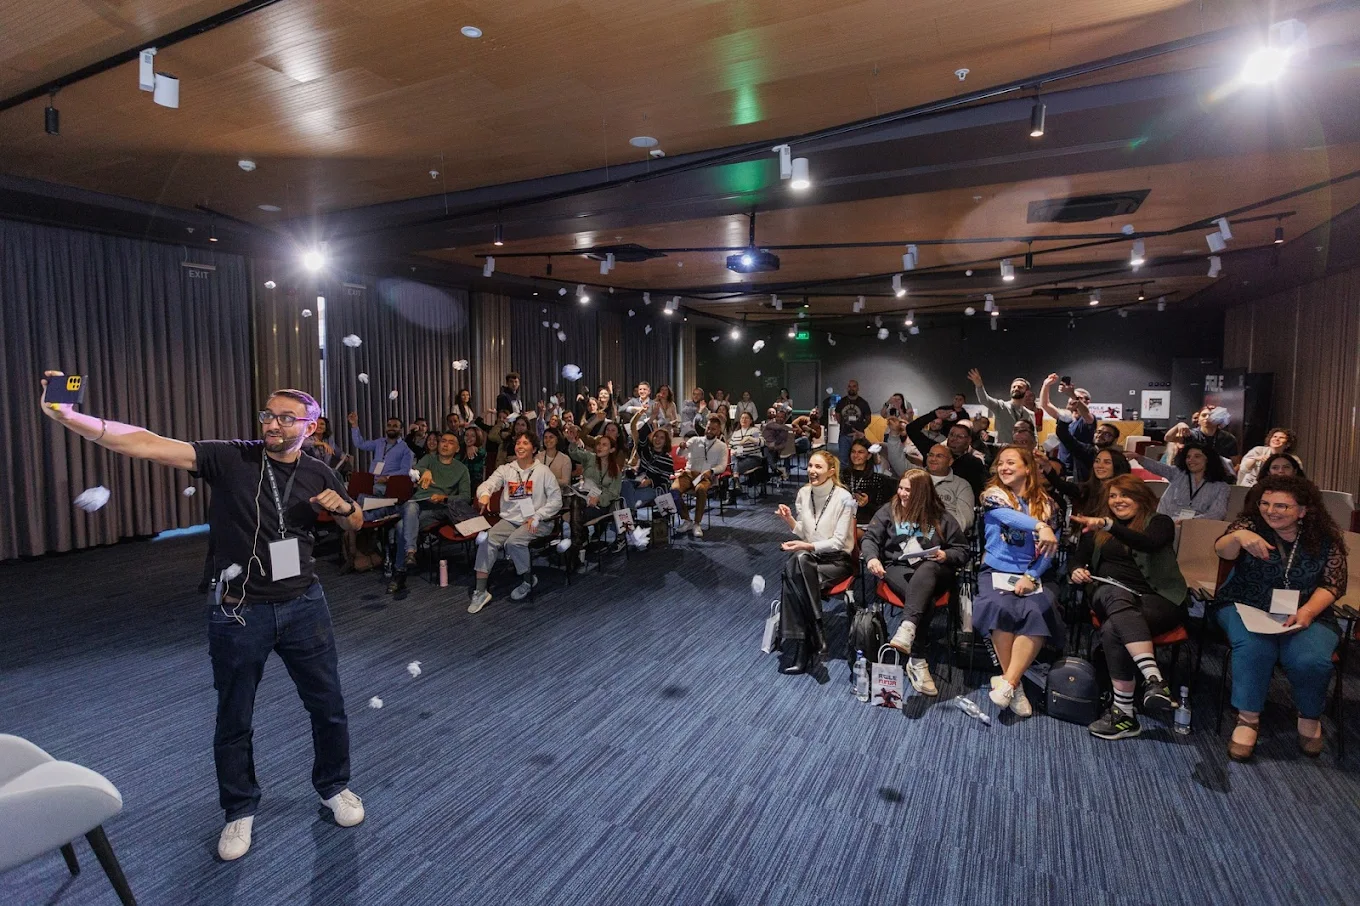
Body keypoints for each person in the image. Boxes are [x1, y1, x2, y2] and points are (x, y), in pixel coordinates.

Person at [39, 374, 367, 860]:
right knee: (235, 716)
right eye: (268, 415)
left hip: (304, 604)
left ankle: (334, 785)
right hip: (238, 610)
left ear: (310, 426)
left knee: (328, 706)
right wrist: (72, 417)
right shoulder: (231, 457)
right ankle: (239, 808)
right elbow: (146, 444)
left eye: (285, 418)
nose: (272, 424)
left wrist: (345, 509)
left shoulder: (319, 471)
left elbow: (355, 520)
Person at [1213, 476, 1348, 760]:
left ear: (1303, 511)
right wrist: (1237, 537)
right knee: (1253, 647)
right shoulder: (1250, 525)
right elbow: (1222, 551)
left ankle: (1309, 716)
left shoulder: (1324, 538)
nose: (1270, 510)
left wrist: (1308, 611)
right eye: (1265, 503)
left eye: (1281, 506)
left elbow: (1333, 583)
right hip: (1245, 604)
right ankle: (1248, 719)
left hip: (1307, 609)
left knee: (1310, 659)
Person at [1069, 476, 1186, 739]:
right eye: (1112, 496)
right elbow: (1077, 559)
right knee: (1114, 592)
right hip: (1106, 593)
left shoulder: (1159, 522)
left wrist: (1110, 526)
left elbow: (1147, 543)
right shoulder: (1097, 529)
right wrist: (1076, 570)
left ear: (1141, 497)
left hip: (1156, 597)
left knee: (1113, 629)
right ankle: (1154, 679)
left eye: (1125, 495)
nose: (1118, 501)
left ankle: (1124, 714)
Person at [972, 446, 1062, 717]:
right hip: (995, 571)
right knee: (1000, 608)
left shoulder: (1049, 505)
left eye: (1011, 463)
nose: (1004, 468)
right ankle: (1017, 686)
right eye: (1001, 463)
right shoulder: (993, 496)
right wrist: (1040, 526)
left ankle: (1008, 683)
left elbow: (1050, 549)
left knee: (1037, 611)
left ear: (1027, 468)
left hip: (1035, 573)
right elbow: (1007, 517)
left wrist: (1031, 575)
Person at [862, 470, 969, 694]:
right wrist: (872, 558)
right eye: (900, 488)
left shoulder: (941, 516)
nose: (902, 493)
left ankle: (908, 629)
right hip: (899, 568)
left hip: (935, 570)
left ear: (922, 492)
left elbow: (962, 550)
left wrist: (945, 555)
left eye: (908, 490)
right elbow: (870, 537)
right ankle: (918, 659)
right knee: (923, 599)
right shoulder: (889, 510)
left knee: (928, 569)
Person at [774, 450, 858, 675]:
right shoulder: (803, 493)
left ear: (831, 472)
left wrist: (807, 547)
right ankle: (816, 631)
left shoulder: (844, 498)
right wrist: (788, 519)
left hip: (836, 561)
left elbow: (838, 542)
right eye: (810, 465)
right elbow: (804, 532)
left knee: (795, 570)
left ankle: (804, 648)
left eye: (818, 467)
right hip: (810, 559)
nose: (812, 470)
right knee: (799, 563)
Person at [470, 433, 563, 612]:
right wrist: (484, 495)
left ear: (534, 449)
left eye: (525, 443)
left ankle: (528, 581)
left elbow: (556, 500)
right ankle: (480, 591)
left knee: (514, 542)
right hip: (511, 520)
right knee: (487, 540)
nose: (520, 446)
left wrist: (538, 516)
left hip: (538, 520)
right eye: (518, 443)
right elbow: (488, 484)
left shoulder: (543, 471)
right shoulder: (506, 469)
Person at [391, 431, 471, 593]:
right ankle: (411, 552)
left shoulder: (461, 469)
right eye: (443, 441)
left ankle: (400, 572)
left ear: (457, 449)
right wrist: (425, 471)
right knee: (411, 506)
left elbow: (466, 497)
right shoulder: (429, 459)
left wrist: (444, 498)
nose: (445, 444)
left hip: (438, 509)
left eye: (450, 442)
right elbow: (415, 469)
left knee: (400, 527)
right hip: (418, 505)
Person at [1136, 441, 1231, 521]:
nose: (1191, 460)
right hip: (1166, 523)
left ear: (1208, 459)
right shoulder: (1178, 473)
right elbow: (1158, 467)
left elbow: (1218, 514)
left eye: (1197, 456)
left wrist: (1189, 521)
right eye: (1188, 457)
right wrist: (1138, 458)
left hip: (1198, 527)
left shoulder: (1221, 487)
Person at [906, 408, 987, 496]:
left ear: (968, 440)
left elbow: (980, 489)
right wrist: (934, 415)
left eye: (960, 436)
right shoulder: (934, 450)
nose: (953, 439)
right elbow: (911, 429)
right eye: (951, 435)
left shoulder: (973, 462)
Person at [567, 431, 625, 553]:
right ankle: (578, 543)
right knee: (575, 500)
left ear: (612, 450)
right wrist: (573, 443)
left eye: (604, 445)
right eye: (599, 444)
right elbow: (575, 453)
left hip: (601, 504)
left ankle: (578, 543)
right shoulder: (590, 458)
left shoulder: (615, 469)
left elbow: (614, 493)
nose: (599, 447)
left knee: (576, 512)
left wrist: (599, 499)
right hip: (584, 498)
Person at [673, 415, 728, 539]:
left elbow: (722, 466)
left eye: (713, 429)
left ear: (718, 431)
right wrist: (681, 448)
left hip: (705, 476)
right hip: (688, 474)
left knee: (701, 489)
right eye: (708, 428)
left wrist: (712, 471)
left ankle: (697, 523)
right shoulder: (695, 440)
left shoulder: (721, 446)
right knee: (674, 491)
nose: (709, 431)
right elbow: (680, 454)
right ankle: (687, 520)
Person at [1044, 448, 1132, 517]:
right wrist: (1045, 465)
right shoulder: (1086, 489)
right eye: (1097, 461)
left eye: (1107, 462)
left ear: (1117, 466)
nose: (1100, 466)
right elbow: (1061, 485)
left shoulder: (1127, 491)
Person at [1038, 373, 1095, 478]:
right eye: (1071, 397)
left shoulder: (1088, 419)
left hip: (1081, 470)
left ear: (1087, 402)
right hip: (1062, 467)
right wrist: (1046, 384)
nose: (1073, 399)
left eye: (1079, 397)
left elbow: (1086, 413)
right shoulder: (1065, 417)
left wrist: (1072, 394)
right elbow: (1045, 404)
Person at [348, 411, 413, 490]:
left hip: (390, 484)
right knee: (352, 486)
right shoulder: (379, 442)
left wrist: (387, 477)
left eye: (395, 426)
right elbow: (360, 444)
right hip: (372, 480)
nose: (391, 428)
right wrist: (354, 425)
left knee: (366, 491)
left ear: (401, 430)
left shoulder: (406, 448)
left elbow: (405, 470)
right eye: (389, 425)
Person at [623, 415, 675, 513]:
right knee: (624, 484)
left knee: (628, 496)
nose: (658, 439)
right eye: (656, 436)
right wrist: (651, 419)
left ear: (665, 442)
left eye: (661, 438)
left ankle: (630, 514)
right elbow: (641, 436)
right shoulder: (646, 451)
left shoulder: (667, 459)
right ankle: (631, 513)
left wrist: (650, 481)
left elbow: (665, 479)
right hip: (637, 481)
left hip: (653, 487)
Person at [966, 368, 1033, 444]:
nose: (1016, 388)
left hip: (1022, 449)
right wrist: (979, 386)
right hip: (1003, 449)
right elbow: (984, 400)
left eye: (1020, 387)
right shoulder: (1001, 406)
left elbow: (1034, 436)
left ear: (1027, 392)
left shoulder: (1030, 414)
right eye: (1014, 387)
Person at [922, 443, 975, 532]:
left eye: (939, 456)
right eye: (931, 455)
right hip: (913, 530)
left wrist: (939, 531)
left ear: (950, 461)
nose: (933, 459)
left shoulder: (962, 485)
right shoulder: (915, 478)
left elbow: (965, 520)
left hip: (945, 535)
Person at [844, 437, 893, 524]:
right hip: (844, 519)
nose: (856, 455)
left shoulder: (877, 479)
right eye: (853, 452)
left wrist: (867, 503)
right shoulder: (842, 475)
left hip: (867, 523)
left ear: (869, 456)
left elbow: (881, 509)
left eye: (860, 452)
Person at [834, 380, 871, 466]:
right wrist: (844, 425)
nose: (851, 388)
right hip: (844, 435)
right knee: (843, 460)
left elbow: (868, 419)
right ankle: (844, 475)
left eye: (854, 386)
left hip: (859, 436)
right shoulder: (841, 402)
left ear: (857, 388)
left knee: (859, 460)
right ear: (847, 388)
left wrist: (860, 429)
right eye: (849, 386)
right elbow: (838, 416)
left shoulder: (863, 403)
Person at [728, 410, 765, 492]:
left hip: (753, 457)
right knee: (732, 458)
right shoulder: (736, 433)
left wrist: (749, 438)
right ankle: (736, 481)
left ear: (751, 421)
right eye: (742, 418)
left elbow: (761, 443)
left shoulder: (754, 430)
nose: (744, 420)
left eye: (746, 418)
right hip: (738, 457)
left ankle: (732, 490)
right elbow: (730, 446)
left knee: (731, 469)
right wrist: (733, 451)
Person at [761, 408, 794, 480]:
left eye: (781, 417)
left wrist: (775, 448)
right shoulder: (770, 425)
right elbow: (765, 437)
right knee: (765, 449)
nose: (779, 419)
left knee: (768, 451)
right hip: (766, 447)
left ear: (784, 419)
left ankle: (776, 470)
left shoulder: (785, 431)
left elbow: (784, 444)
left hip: (777, 450)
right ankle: (775, 470)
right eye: (777, 417)